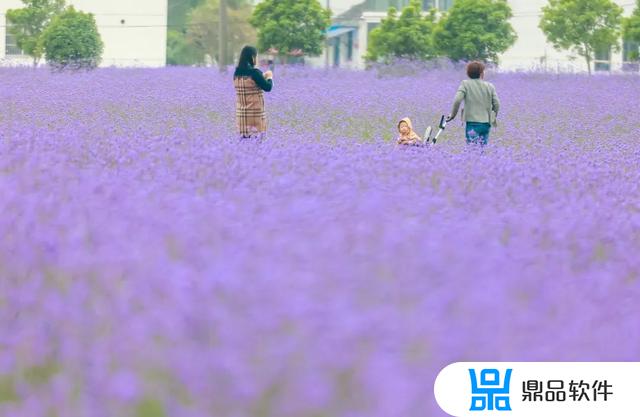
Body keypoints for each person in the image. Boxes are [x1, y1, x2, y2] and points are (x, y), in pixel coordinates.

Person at [446, 61, 500, 146]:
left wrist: (452, 115)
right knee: (481, 150)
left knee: (472, 150)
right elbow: (496, 104)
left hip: (472, 123)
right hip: (486, 123)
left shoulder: (465, 84)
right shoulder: (490, 86)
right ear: (482, 73)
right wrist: (492, 116)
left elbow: (457, 100)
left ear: (468, 73)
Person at [233, 46, 273, 139]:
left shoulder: (236, 73)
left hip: (242, 117)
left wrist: (262, 76)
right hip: (255, 116)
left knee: (243, 146)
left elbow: (249, 85)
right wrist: (270, 77)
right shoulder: (255, 72)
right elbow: (268, 87)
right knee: (256, 146)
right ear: (252, 57)